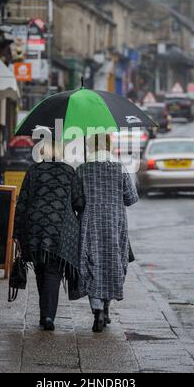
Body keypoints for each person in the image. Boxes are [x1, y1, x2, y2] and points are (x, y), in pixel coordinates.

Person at [71, 134, 138, 332]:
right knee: (112, 262)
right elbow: (131, 198)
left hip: (90, 222)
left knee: (91, 263)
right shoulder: (119, 168)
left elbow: (76, 200)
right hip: (115, 223)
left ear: (90, 147)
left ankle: (98, 310)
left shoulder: (82, 170)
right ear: (109, 147)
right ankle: (106, 308)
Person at [13, 139, 78, 331]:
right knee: (53, 271)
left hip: (35, 228)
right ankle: (48, 316)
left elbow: (22, 202)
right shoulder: (69, 172)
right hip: (60, 229)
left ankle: (46, 314)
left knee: (41, 269)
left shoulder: (34, 171)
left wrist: (16, 232)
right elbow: (79, 201)